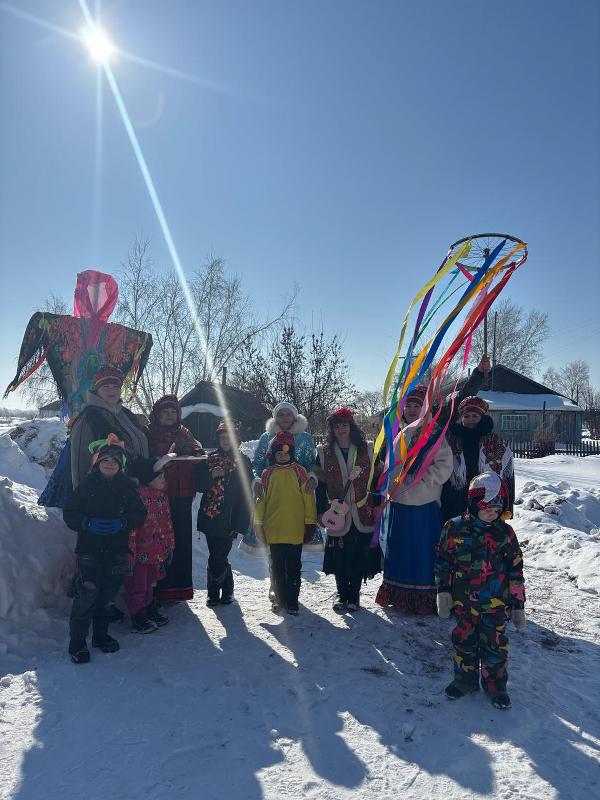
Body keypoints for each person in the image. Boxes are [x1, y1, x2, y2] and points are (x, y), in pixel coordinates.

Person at [435, 472, 526, 710]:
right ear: (474, 503)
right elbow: (443, 561)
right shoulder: (454, 528)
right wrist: (443, 592)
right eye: (487, 508)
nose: (492, 514)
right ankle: (464, 681)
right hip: (464, 603)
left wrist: (518, 605)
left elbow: (516, 570)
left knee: (495, 645)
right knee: (464, 641)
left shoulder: (505, 534)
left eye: (497, 510)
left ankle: (496, 686)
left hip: (496, 605)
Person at [63, 436, 147, 664]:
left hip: (116, 550)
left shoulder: (128, 488)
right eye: (105, 460)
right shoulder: (85, 486)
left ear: (121, 465)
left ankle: (100, 636)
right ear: (96, 463)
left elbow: (140, 514)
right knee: (87, 594)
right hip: (90, 550)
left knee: (107, 596)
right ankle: (77, 642)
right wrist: (86, 523)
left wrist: (124, 522)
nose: (110, 464)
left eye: (115, 460)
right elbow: (70, 513)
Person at [375, 384, 453, 614]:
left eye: (416, 405)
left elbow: (445, 465)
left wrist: (423, 479)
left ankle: (424, 597)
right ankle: (398, 594)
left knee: (422, 551)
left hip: (423, 504)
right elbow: (388, 465)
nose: (411, 409)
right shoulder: (398, 432)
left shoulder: (434, 434)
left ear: (424, 408)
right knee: (399, 549)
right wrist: (391, 483)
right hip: (399, 502)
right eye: (408, 405)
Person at [315, 407, 381, 612]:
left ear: (351, 426)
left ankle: (354, 596)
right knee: (341, 557)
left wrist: (377, 506)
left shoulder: (367, 449)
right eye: (337, 426)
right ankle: (342, 595)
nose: (341, 429)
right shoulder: (323, 453)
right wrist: (319, 510)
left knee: (358, 556)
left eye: (344, 425)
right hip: (337, 514)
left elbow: (377, 480)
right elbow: (319, 485)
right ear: (332, 430)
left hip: (363, 512)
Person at [145, 395, 204, 603]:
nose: (169, 416)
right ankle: (155, 588)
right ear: (157, 415)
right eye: (165, 413)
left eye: (173, 413)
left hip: (183, 494)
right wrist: (162, 462)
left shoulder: (184, 433)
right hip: (158, 494)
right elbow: (145, 461)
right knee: (159, 540)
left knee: (180, 539)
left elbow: (198, 451)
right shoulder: (149, 433)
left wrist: (195, 455)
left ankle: (179, 588)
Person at [254, 431, 317, 615]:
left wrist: (310, 523)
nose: (282, 456)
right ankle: (280, 598)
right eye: (279, 453)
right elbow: (261, 501)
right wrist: (258, 523)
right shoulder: (267, 474)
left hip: (295, 530)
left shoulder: (299, 472)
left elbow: (308, 498)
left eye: (286, 453)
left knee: (294, 567)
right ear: (273, 455)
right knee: (277, 567)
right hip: (274, 531)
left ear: (292, 453)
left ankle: (292, 601)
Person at [197, 421, 253, 607]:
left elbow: (246, 493)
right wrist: (211, 476)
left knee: (219, 554)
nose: (226, 440)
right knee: (216, 553)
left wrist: (240, 522)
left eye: (229, 436)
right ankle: (225, 591)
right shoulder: (209, 460)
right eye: (222, 437)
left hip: (230, 517)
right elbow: (198, 485)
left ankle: (216, 593)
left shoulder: (243, 461)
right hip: (210, 515)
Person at [70, 367, 152, 489]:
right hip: (106, 493)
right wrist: (82, 497)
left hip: (135, 491)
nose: (111, 390)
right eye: (106, 387)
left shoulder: (127, 415)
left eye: (115, 387)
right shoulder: (89, 417)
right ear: (97, 390)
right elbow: (80, 462)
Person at [441, 394, 514, 523]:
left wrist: (508, 506)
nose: (470, 419)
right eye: (466, 416)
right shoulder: (451, 440)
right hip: (456, 498)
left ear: (482, 417)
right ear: (461, 418)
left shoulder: (496, 441)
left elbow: (508, 477)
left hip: (487, 497)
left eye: (475, 416)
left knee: (485, 536)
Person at [124, 464, 175, 633]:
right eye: (160, 477)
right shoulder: (140, 497)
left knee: (151, 582)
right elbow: (132, 528)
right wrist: (130, 549)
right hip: (140, 551)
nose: (164, 480)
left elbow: (167, 523)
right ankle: (137, 616)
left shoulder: (162, 497)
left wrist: (169, 543)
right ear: (149, 480)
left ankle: (148, 609)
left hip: (157, 549)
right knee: (138, 584)